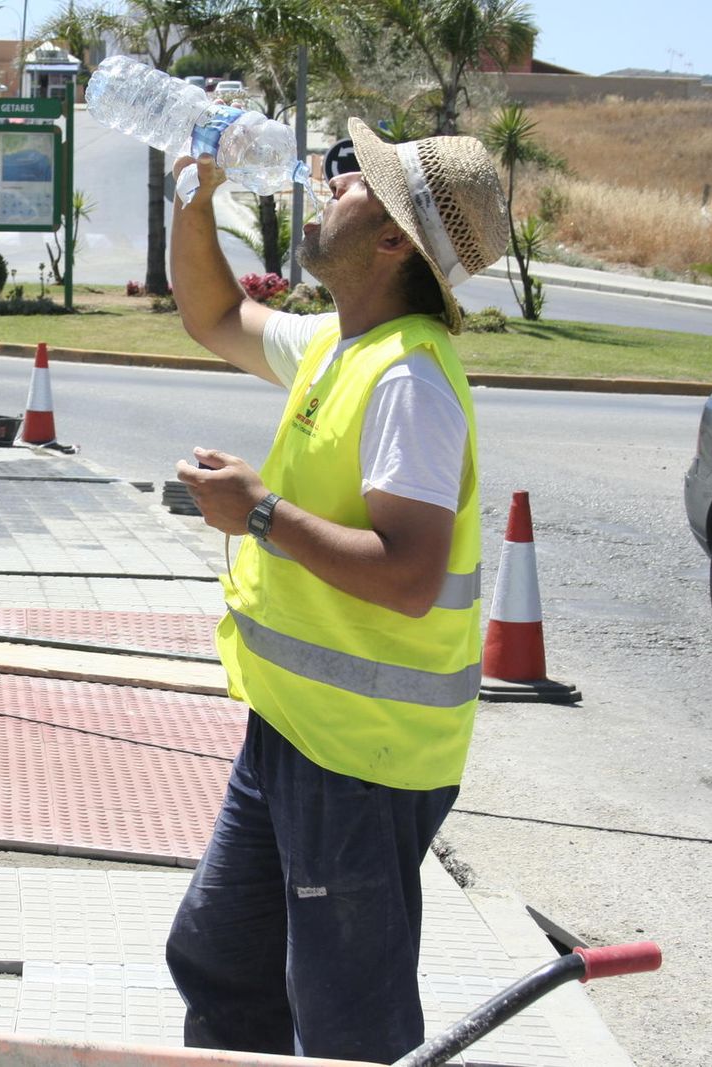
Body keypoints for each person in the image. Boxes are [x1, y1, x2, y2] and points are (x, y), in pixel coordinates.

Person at [162, 120, 512, 1062]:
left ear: (395, 239)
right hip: (293, 730)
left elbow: (408, 575)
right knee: (222, 962)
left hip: (362, 759)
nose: (333, 183)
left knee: (350, 1024)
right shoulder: (338, 343)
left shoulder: (408, 381)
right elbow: (213, 315)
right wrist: (195, 199)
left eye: (357, 183)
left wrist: (261, 512)